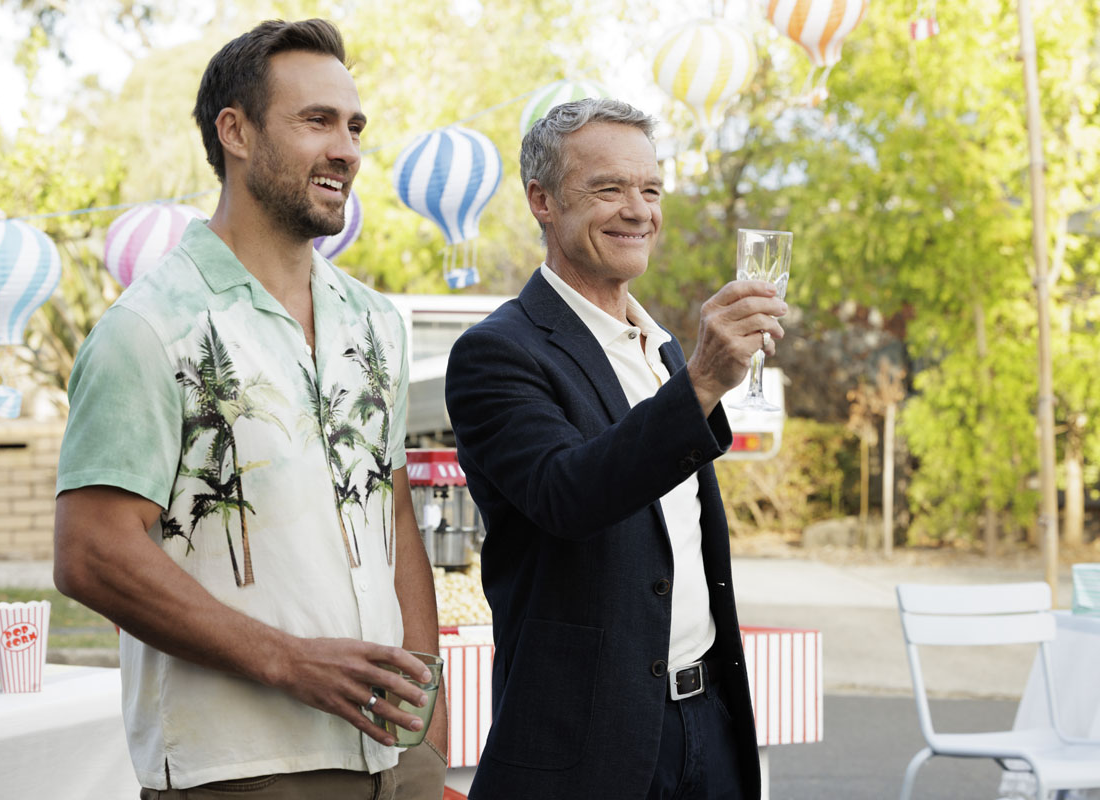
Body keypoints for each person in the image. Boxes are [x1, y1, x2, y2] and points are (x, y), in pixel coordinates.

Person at [54, 19, 447, 799]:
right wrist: (287, 661)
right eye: (317, 121)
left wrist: (427, 718)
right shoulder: (149, 328)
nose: (346, 149)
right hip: (240, 770)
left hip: (394, 760)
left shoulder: (375, 323)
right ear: (235, 132)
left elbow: (392, 510)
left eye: (354, 126)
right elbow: (90, 552)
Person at [444, 98, 786, 799]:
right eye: (608, 188)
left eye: (650, 189)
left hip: (709, 724)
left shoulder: (661, 348)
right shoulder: (496, 353)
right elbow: (566, 494)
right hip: (589, 744)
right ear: (542, 201)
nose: (638, 210)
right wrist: (702, 383)